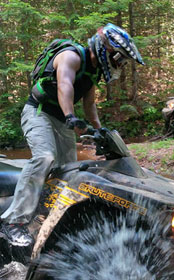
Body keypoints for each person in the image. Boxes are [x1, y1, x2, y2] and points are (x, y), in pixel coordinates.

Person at [0, 23, 144, 246]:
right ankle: (13, 222)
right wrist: (70, 115)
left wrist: (99, 129)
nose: (119, 63)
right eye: (118, 57)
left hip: (62, 120)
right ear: (105, 48)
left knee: (69, 170)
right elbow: (64, 85)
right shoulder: (71, 56)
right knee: (45, 157)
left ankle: (47, 214)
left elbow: (89, 103)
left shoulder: (92, 72)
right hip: (39, 113)